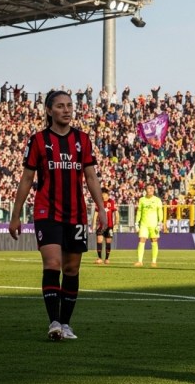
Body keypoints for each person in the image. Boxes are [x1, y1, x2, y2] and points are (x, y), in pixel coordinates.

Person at [9, 90, 106, 341]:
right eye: (61, 106)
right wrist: (16, 214)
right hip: (47, 211)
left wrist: (102, 209)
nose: (67, 110)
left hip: (76, 214)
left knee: (72, 270)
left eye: (69, 106)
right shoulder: (39, 140)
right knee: (53, 264)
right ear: (49, 110)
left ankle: (66, 323)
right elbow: (27, 179)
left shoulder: (82, 140)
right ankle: (53, 322)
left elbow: (92, 177)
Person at [134, 184, 166, 267]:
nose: (151, 189)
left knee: (154, 240)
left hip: (154, 224)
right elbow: (139, 212)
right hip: (144, 224)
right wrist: (137, 223)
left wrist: (160, 223)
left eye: (152, 188)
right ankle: (140, 261)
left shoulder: (157, 200)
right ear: (146, 190)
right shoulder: (142, 200)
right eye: (149, 188)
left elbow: (160, 212)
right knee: (142, 240)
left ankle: (154, 262)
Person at [94, 187, 117, 264]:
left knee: (108, 242)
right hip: (100, 226)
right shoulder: (99, 202)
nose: (104, 196)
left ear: (107, 195)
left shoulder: (111, 202)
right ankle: (99, 258)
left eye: (105, 194)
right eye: (102, 194)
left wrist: (116, 224)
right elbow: (96, 214)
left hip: (109, 226)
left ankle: (107, 259)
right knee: (99, 240)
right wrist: (94, 224)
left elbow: (116, 213)